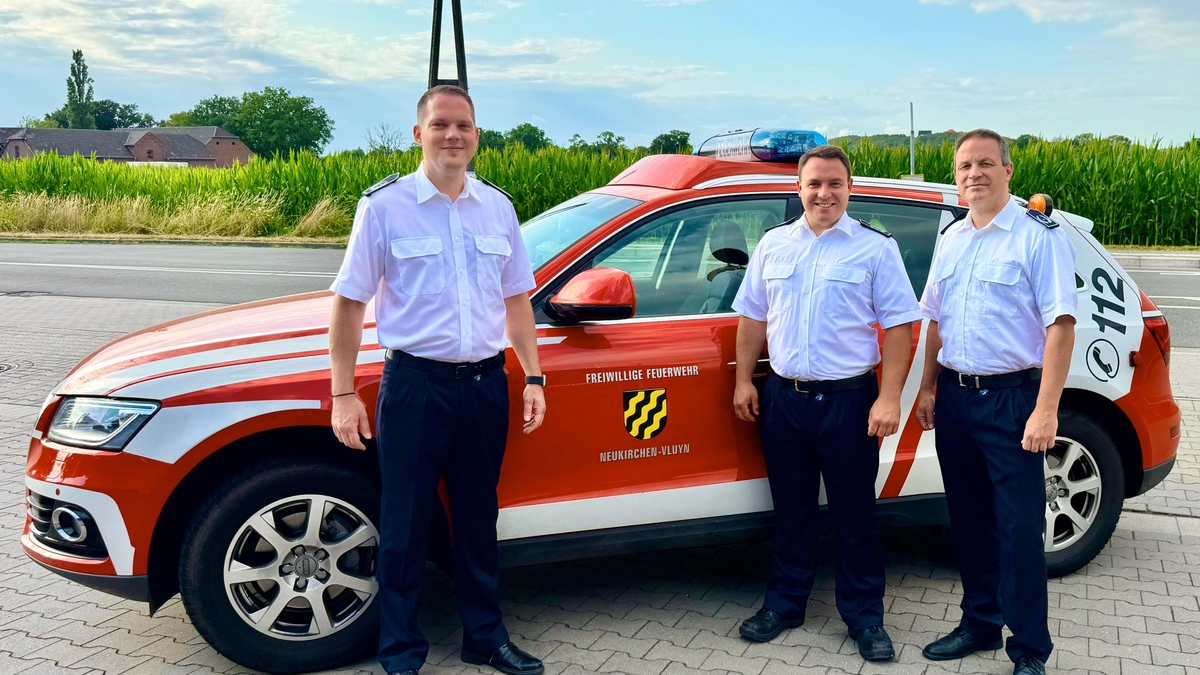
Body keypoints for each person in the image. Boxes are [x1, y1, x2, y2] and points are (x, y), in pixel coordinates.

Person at [327, 84, 546, 675]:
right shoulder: (384, 206)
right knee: (405, 523)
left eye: (464, 125)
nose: (453, 135)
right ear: (418, 134)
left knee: (477, 519)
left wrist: (534, 376)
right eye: (441, 124)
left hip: (484, 386)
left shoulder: (497, 207)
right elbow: (350, 303)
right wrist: (343, 393)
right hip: (415, 387)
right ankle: (400, 648)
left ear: (476, 135)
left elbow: (516, 299)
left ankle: (485, 637)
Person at [731, 145, 921, 662]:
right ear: (798, 188)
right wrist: (744, 380)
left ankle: (865, 617)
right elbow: (752, 316)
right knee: (791, 510)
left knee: (854, 514)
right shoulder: (773, 245)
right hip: (783, 399)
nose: (824, 193)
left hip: (848, 402)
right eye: (814, 183)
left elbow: (900, 327)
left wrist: (889, 397)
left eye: (835, 183)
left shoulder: (875, 249)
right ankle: (784, 604)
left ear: (850, 188)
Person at [915, 129, 1076, 675]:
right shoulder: (953, 237)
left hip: (1013, 400)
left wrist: (1046, 410)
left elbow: (1060, 327)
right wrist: (927, 387)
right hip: (957, 399)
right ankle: (979, 623)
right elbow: (936, 320)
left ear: (1007, 171)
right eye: (965, 166)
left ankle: (1029, 648)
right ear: (956, 177)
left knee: (1018, 532)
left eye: (985, 163)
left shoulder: (1037, 236)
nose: (974, 174)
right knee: (969, 521)